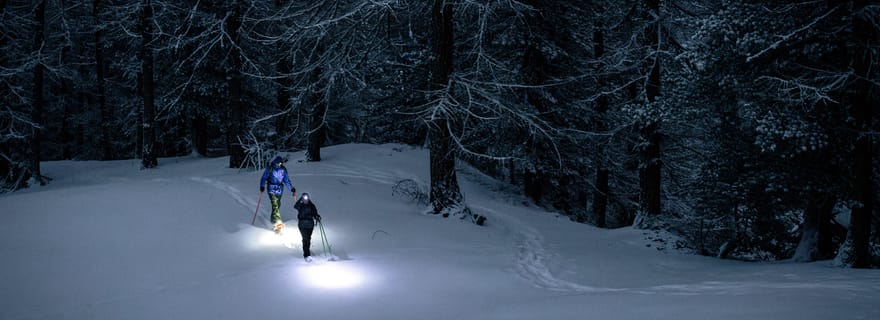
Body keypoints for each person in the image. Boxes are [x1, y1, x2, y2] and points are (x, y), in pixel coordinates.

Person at [260, 156, 296, 233]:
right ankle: (277, 222)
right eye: (279, 163)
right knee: (275, 204)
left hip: (280, 189)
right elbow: (264, 178)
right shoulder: (270, 168)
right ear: (275, 162)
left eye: (281, 163)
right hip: (271, 188)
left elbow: (286, 180)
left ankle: (273, 219)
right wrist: (262, 186)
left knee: (278, 204)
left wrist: (291, 188)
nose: (280, 164)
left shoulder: (283, 169)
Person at [294, 193, 321, 261]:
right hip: (302, 224)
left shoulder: (311, 205)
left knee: (308, 238)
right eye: (304, 198)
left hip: (310, 225)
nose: (305, 200)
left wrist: (317, 217)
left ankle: (307, 250)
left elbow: (315, 213)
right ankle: (306, 253)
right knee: (305, 238)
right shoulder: (300, 205)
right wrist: (300, 199)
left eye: (306, 198)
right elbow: (295, 206)